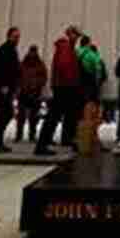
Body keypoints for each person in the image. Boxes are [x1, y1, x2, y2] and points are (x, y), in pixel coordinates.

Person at [34, 25, 82, 156]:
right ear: (70, 34)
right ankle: (42, 145)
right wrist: (71, 84)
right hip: (64, 88)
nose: (77, 38)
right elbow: (64, 67)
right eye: (75, 35)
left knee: (60, 116)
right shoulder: (66, 47)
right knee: (54, 116)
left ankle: (49, 142)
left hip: (63, 86)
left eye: (78, 36)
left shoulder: (69, 48)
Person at [77, 34, 107, 154]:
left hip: (77, 89)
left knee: (81, 116)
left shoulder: (76, 53)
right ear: (88, 43)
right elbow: (99, 71)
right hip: (90, 89)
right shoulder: (92, 55)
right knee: (91, 116)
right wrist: (97, 83)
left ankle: (80, 141)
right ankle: (91, 141)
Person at [16, 44, 47, 143]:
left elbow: (43, 78)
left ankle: (24, 135)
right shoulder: (38, 64)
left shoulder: (25, 63)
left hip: (29, 92)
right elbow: (43, 78)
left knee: (29, 116)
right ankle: (26, 135)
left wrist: (36, 85)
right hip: (29, 92)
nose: (32, 53)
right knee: (27, 116)